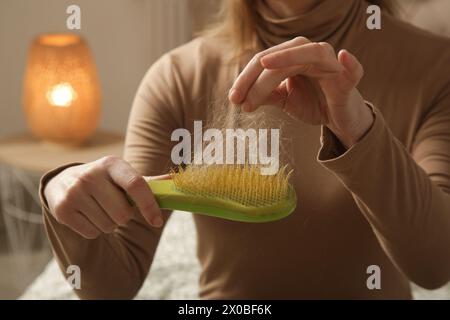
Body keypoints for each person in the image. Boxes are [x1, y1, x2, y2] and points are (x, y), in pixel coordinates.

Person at [41, 0, 450, 299]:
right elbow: (112, 285)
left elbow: (435, 266)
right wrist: (62, 191)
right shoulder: (178, 78)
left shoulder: (435, 69)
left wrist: (360, 131)